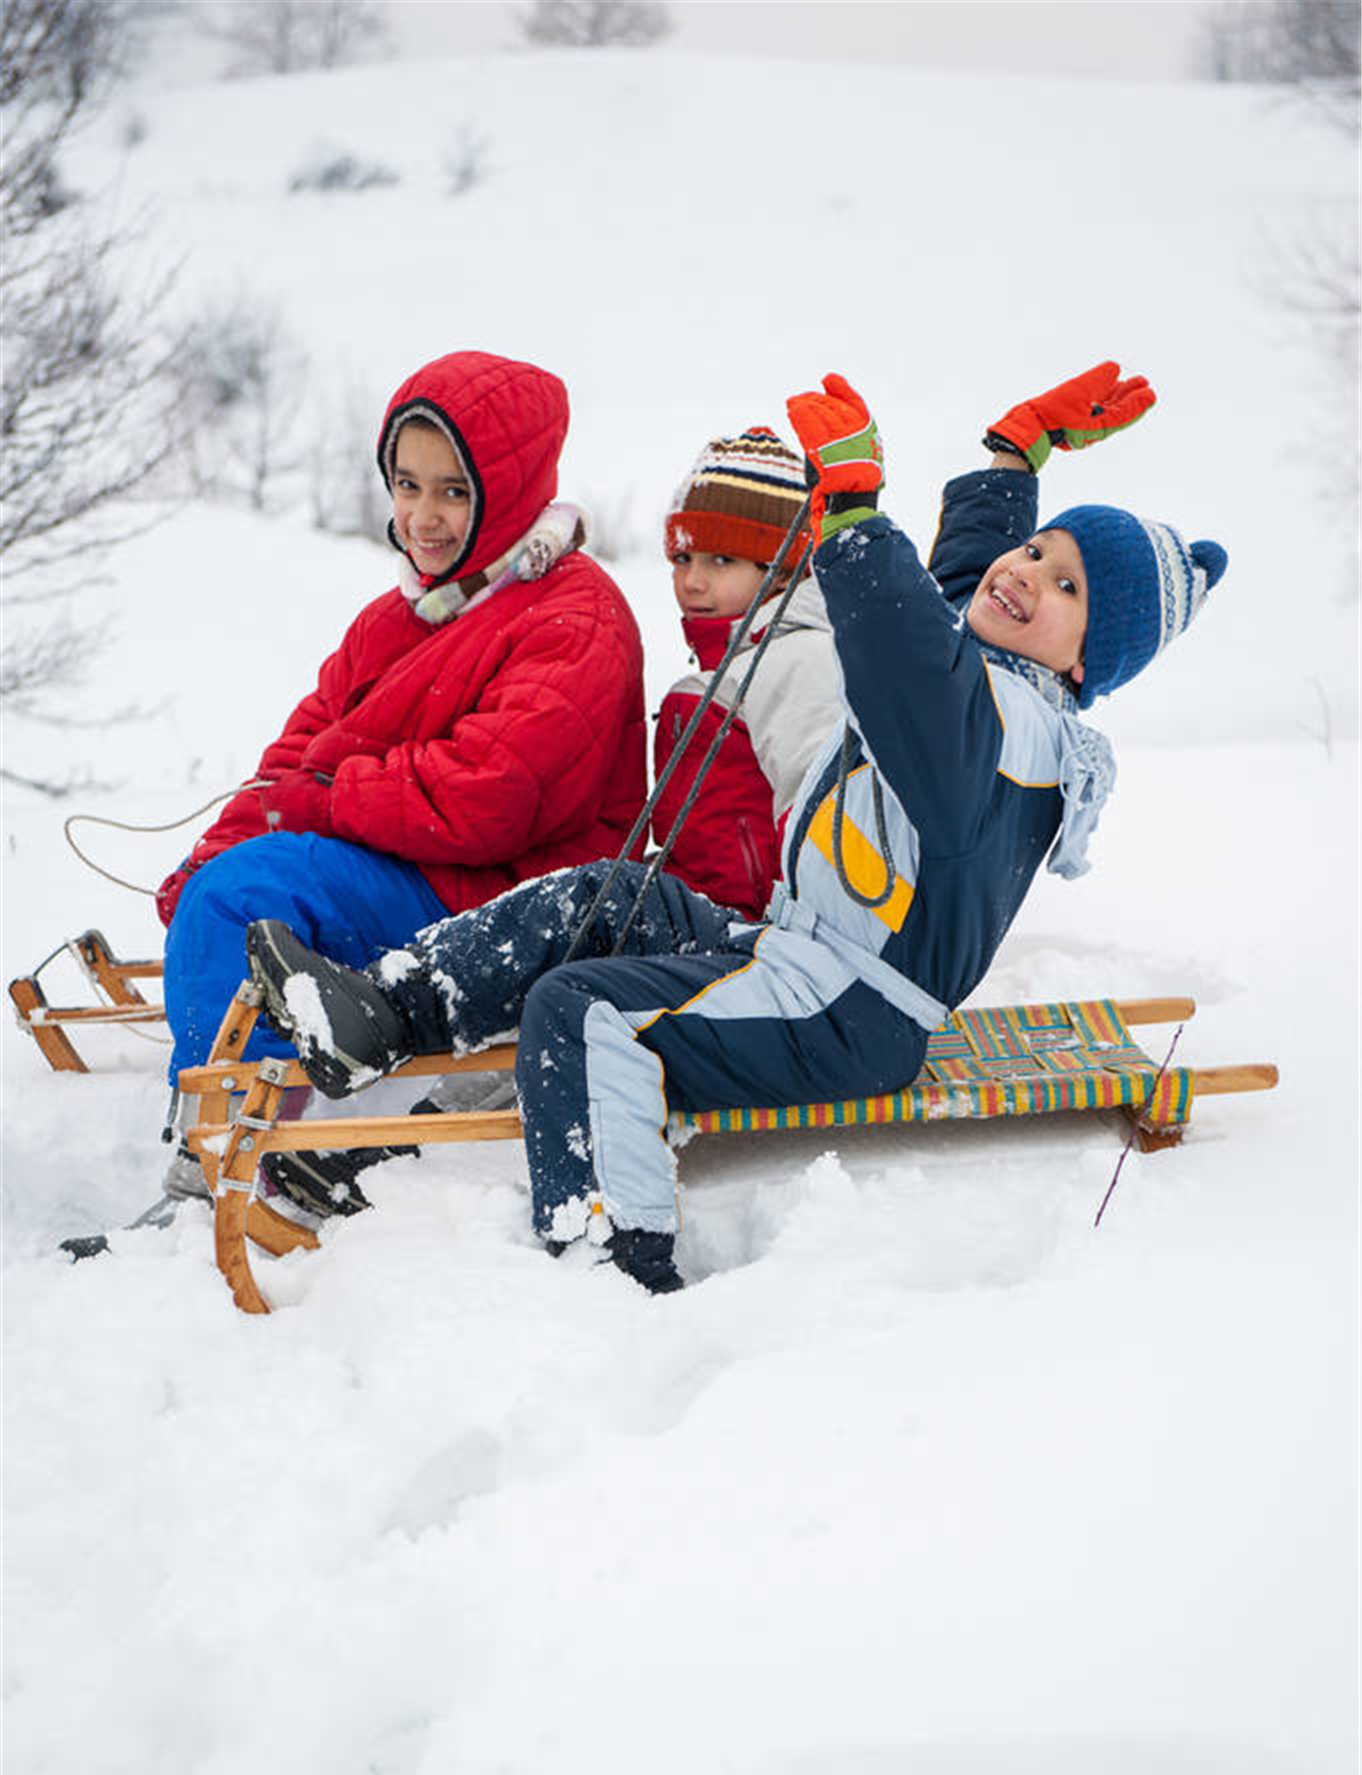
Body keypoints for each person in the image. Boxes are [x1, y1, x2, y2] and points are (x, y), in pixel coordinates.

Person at [242, 362, 1227, 1295]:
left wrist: (850, 512)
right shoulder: (996, 685)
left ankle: (610, 1253)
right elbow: (957, 598)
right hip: (805, 960)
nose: (1026, 575)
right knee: (611, 898)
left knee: (583, 1013)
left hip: (846, 1008)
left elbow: (905, 651)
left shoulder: (1011, 733)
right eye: (1038, 549)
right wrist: (1013, 455)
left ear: (1089, 657)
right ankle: (379, 1012)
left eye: (1067, 589)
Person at [156, 348, 646, 1087]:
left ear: (510, 493)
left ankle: (234, 1142)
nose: (422, 517)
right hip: (417, 869)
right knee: (223, 885)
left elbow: (494, 793)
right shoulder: (396, 620)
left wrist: (319, 804)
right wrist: (216, 847)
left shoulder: (577, 617)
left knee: (240, 899)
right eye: (407, 485)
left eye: (453, 491)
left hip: (514, 898)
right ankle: (249, 1084)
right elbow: (298, 755)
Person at [652, 426, 841, 920]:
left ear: (781, 572)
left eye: (721, 560)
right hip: (709, 912)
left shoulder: (797, 659)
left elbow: (818, 814)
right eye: (682, 557)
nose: (692, 582)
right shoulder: (731, 670)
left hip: (758, 933)